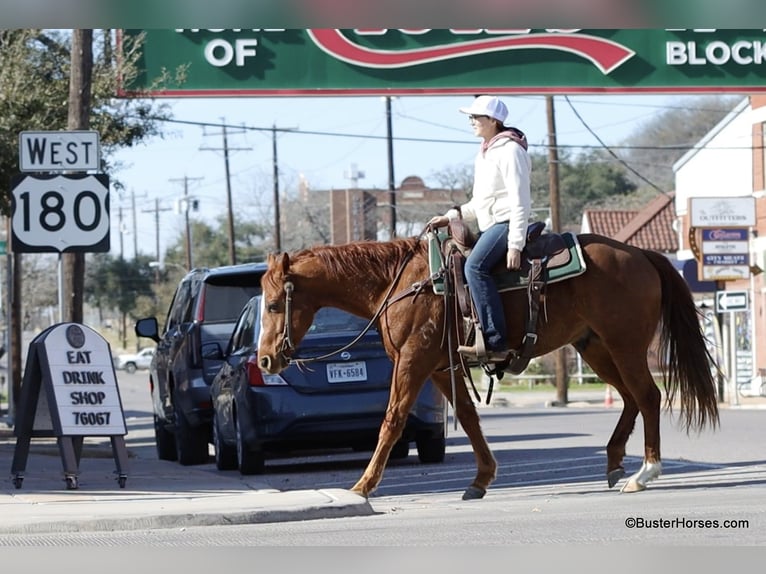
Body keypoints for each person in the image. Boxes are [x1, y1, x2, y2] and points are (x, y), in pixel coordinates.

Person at [427, 95, 532, 362]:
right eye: (471, 117)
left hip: (507, 224)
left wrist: (515, 244)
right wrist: (450, 216)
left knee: (474, 267)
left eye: (477, 117)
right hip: (492, 225)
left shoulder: (510, 151)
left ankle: (496, 342)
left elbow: (520, 200)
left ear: (494, 121)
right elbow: (479, 203)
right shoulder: (486, 152)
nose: (471, 121)